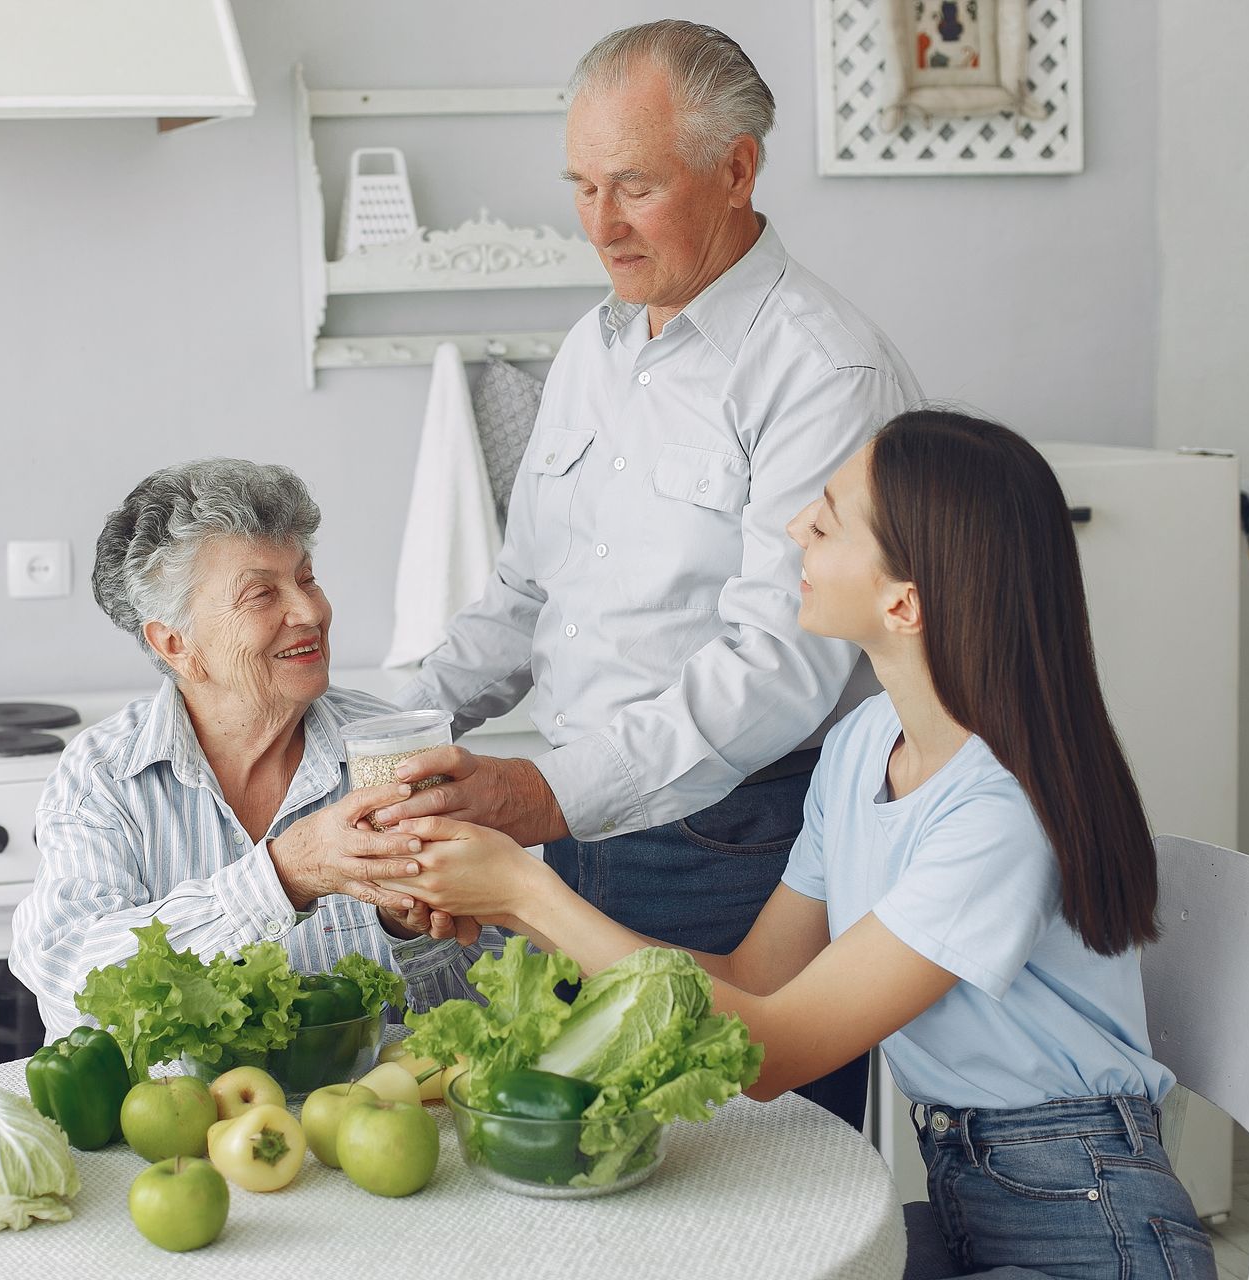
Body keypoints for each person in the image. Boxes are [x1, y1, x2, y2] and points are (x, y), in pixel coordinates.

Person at [378, 411, 1217, 1280]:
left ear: (905, 601)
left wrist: (525, 892)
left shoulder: (996, 815)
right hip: (973, 1194)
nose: (795, 529)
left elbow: (774, 1053)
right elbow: (756, 981)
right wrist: (514, 914)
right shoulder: (863, 744)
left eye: (829, 518)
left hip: (1089, 1226)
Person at [379, 19, 920, 1125]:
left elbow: (780, 664)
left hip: (740, 844)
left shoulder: (822, 368)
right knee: (579, 1162)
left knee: (749, 1177)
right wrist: (377, 732)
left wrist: (535, 794)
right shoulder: (595, 346)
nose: (600, 226)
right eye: (580, 185)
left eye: (633, 185)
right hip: (579, 837)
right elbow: (525, 595)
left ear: (737, 169)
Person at [10, 458, 493, 1039]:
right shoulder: (104, 777)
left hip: (366, 1118)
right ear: (175, 643)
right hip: (180, 1124)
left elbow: (486, 1012)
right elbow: (73, 987)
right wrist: (282, 877)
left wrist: (412, 933)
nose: (311, 611)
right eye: (262, 594)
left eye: (307, 578)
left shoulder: (394, 750)